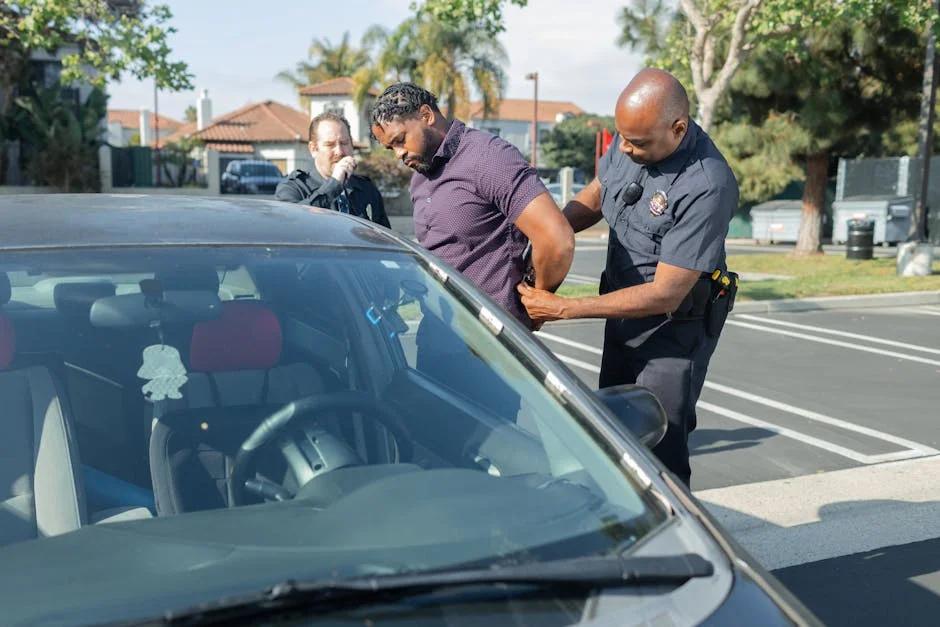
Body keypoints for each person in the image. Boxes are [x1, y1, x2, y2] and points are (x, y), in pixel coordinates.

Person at [517, 68, 740, 487]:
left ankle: (677, 543)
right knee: (616, 431)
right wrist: (551, 230)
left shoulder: (708, 185)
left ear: (678, 128)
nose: (624, 148)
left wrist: (565, 308)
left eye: (637, 142)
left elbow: (666, 293)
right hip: (622, 319)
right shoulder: (633, 139)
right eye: (621, 136)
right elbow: (598, 194)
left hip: (671, 334)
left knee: (660, 449)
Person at [369, 82, 575, 421]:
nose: (398, 154)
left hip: (487, 352)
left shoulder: (489, 158)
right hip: (436, 341)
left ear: (426, 115)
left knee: (490, 460)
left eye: (400, 140)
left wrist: (537, 303)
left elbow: (556, 240)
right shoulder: (420, 173)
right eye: (390, 147)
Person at [276, 111, 390, 228]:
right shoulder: (293, 187)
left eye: (344, 143)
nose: (339, 152)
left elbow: (386, 240)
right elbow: (289, 224)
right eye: (330, 145)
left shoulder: (366, 189)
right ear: (313, 149)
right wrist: (334, 185)